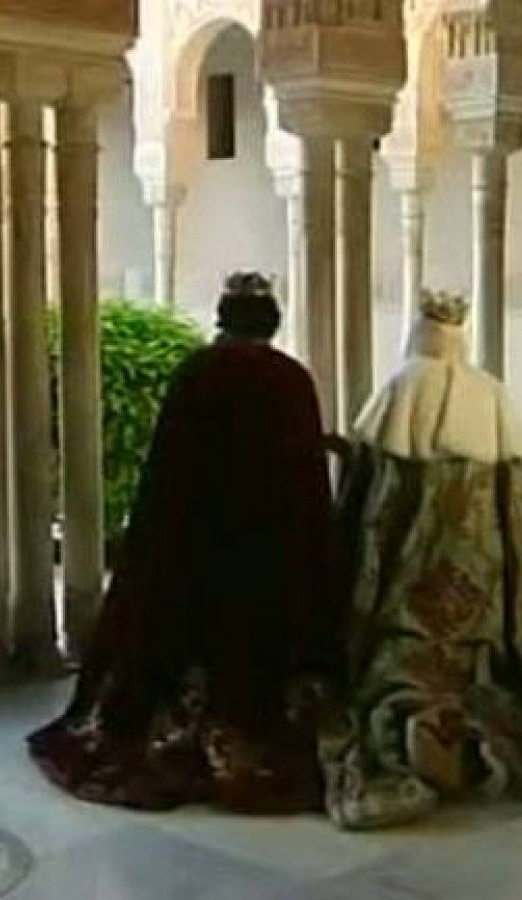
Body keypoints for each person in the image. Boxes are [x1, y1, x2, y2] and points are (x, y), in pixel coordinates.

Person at [27, 272, 344, 814]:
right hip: (266, 553)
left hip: (199, 547)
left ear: (224, 316)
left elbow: (167, 475)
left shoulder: (197, 373)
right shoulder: (290, 379)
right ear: (272, 321)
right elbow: (304, 483)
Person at [319, 290, 522, 830]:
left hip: (403, 596)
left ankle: (427, 730)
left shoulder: (398, 391)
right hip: (480, 590)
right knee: (485, 674)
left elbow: (368, 512)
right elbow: (519, 519)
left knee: (389, 673)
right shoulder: (488, 396)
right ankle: (453, 733)